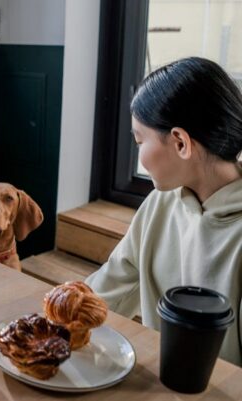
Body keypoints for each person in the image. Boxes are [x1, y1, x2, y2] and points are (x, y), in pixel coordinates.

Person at [86, 57, 242, 366]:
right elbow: (111, 285)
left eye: (140, 139)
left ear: (181, 143)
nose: (138, 152)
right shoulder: (162, 201)